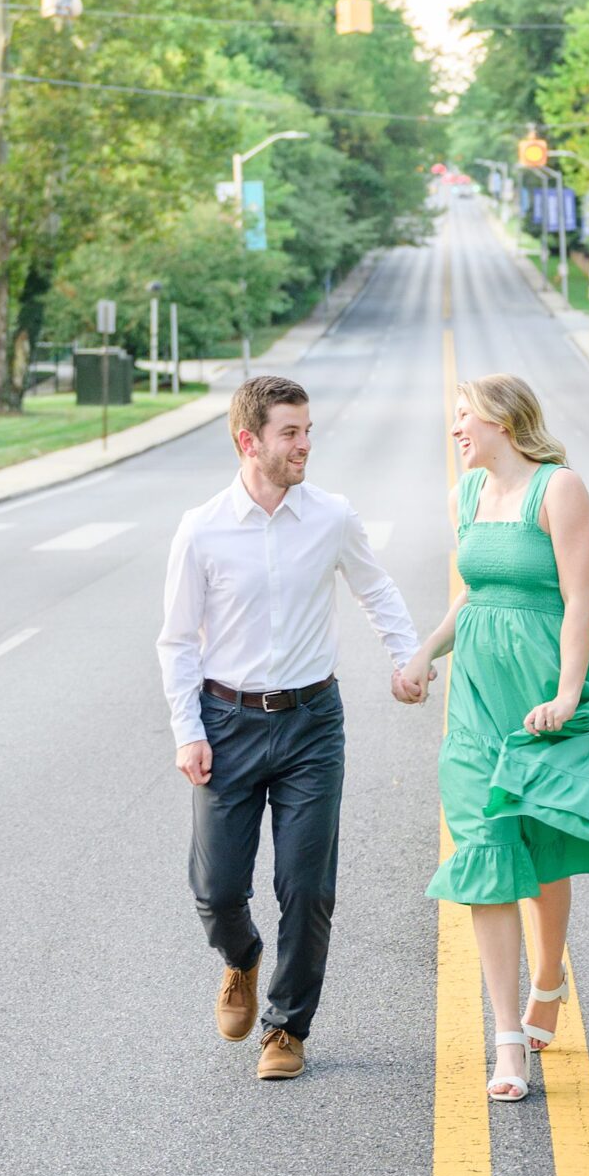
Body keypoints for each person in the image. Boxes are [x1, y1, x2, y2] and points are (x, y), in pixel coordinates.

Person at [157, 372, 424, 1082]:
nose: (305, 444)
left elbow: (375, 588)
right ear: (249, 441)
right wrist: (189, 730)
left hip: (310, 722)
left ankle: (286, 1027)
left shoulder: (330, 517)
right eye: (290, 433)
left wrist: (408, 658)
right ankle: (240, 959)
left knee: (307, 888)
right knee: (216, 891)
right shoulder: (203, 528)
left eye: (307, 431)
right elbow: (178, 640)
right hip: (227, 722)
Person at [401, 372, 589, 1104]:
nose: (454, 429)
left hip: (539, 688)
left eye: (464, 416)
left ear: (502, 420)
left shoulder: (558, 491)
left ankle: (548, 978)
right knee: (484, 848)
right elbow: (470, 593)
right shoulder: (464, 495)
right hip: (474, 693)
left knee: (541, 841)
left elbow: (579, 599)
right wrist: (421, 655)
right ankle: (508, 1040)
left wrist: (566, 693)